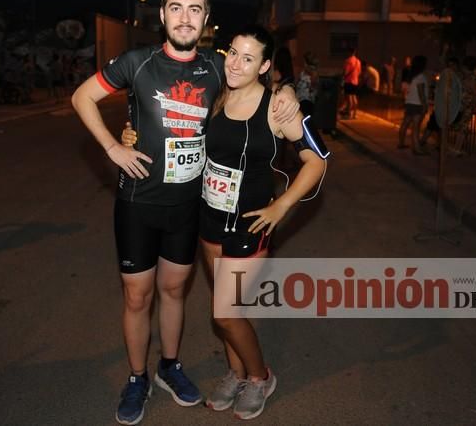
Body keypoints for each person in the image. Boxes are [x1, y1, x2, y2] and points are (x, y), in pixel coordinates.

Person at [71, 0, 299, 425]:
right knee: (138, 298)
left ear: (206, 17)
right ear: (162, 14)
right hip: (138, 202)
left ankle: (169, 368)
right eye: (176, 8)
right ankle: (137, 377)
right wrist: (114, 148)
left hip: (189, 207)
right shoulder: (136, 61)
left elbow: (260, 78)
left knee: (175, 291)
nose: (185, 17)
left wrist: (287, 90)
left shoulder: (218, 65)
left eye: (195, 9)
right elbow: (82, 97)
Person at [122, 25, 326, 420]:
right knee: (226, 303)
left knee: (225, 313)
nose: (235, 63)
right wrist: (130, 134)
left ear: (265, 65)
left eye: (248, 58)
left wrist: (280, 207)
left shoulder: (277, 107)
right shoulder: (215, 95)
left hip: (250, 224)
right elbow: (167, 122)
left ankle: (260, 376)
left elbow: (317, 161)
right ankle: (235, 373)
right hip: (209, 219)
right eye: (233, 52)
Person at [397, 55, 428, 154]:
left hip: (409, 102)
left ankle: (401, 143)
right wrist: (425, 105)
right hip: (417, 104)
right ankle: (417, 149)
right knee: (416, 127)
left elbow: (404, 89)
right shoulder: (421, 77)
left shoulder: (410, 76)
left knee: (405, 124)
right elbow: (421, 93)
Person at [340, 48, 361, 119]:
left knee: (349, 98)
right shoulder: (358, 61)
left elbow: (345, 72)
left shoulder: (348, 61)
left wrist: (342, 76)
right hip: (356, 81)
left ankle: (349, 114)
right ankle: (354, 114)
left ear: (349, 52)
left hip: (349, 81)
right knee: (354, 97)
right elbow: (359, 72)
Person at [295, 52, 318, 116]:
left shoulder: (313, 72)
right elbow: (297, 82)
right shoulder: (303, 71)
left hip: (307, 99)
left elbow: (313, 84)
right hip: (300, 98)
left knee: (305, 117)